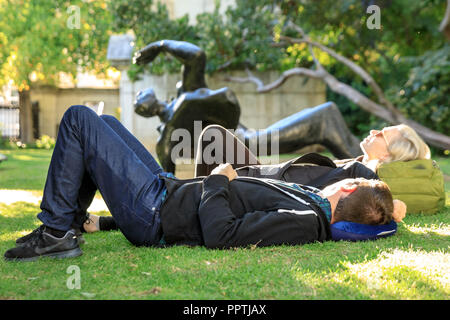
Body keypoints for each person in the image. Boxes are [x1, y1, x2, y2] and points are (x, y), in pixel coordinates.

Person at [4, 105, 397, 262]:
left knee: (78, 119)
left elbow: (221, 234)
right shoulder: (313, 202)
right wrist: (106, 222)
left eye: (346, 182)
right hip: (167, 189)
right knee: (103, 124)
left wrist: (216, 180)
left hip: (155, 212)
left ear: (346, 190)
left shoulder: (304, 220)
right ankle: (71, 221)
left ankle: (56, 232)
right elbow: (387, 213)